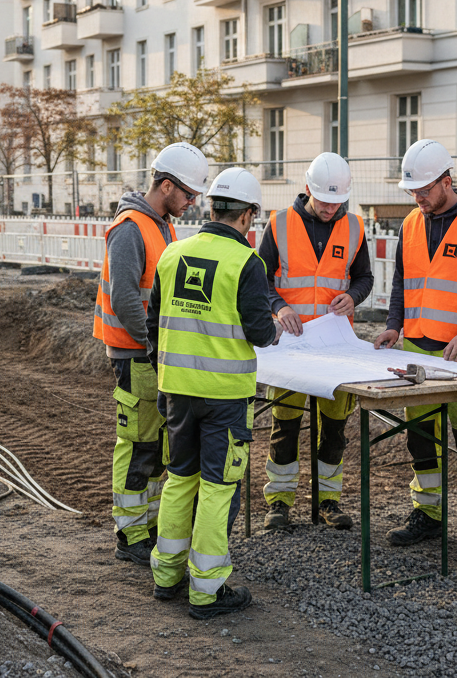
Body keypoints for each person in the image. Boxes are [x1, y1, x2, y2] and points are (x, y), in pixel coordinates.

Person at [147, 167, 280, 620]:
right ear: (248, 215)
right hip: (224, 397)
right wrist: (276, 329)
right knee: (219, 488)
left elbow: (153, 325)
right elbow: (261, 334)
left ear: (211, 207)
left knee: (179, 479)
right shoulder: (247, 263)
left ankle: (166, 575)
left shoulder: (172, 253)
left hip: (176, 392)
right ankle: (206, 590)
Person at [372, 139, 457, 558]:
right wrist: (394, 326)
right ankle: (427, 515)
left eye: (425, 190)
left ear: (447, 182)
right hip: (417, 349)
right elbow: (400, 283)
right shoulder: (410, 223)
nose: (419, 198)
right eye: (413, 191)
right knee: (420, 438)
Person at [94, 143, 210, 565]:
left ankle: (151, 524)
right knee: (138, 443)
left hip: (151, 353)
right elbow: (126, 298)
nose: (193, 202)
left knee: (159, 443)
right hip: (135, 353)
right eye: (188, 194)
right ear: (165, 186)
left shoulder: (161, 225)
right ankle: (130, 532)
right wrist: (155, 344)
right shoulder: (131, 228)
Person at [258, 153, 373, 531]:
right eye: (323, 200)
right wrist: (279, 308)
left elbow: (365, 277)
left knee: (335, 427)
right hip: (291, 348)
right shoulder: (278, 224)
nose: (329, 208)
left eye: (337, 201)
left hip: (336, 348)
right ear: (308, 189)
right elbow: (262, 281)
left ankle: (329, 500)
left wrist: (353, 297)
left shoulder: (355, 227)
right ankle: (279, 501)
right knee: (285, 423)